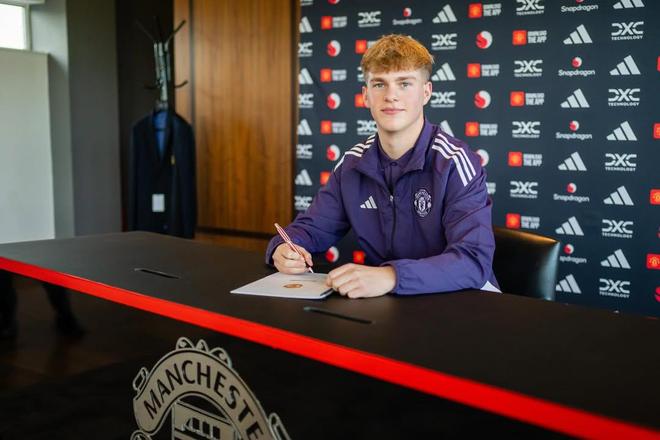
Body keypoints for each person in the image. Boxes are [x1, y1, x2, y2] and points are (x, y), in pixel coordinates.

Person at [266, 34, 499, 299]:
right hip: (391, 303)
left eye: (404, 84)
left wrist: (392, 276)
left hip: (463, 301)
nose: (391, 96)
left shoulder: (454, 162)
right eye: (379, 84)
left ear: (426, 92)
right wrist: (283, 249)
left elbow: (473, 261)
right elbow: (311, 229)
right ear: (366, 96)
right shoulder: (352, 165)